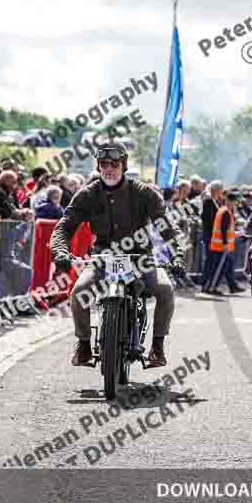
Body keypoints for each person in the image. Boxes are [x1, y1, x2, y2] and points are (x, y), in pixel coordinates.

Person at [50, 142, 185, 368]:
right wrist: (60, 252)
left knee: (165, 291)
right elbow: (63, 227)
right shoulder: (88, 194)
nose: (109, 168)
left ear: (123, 165)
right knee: (78, 293)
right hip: (103, 257)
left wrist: (178, 255)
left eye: (114, 164)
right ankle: (83, 345)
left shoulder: (144, 193)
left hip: (140, 258)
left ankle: (157, 348)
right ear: (98, 166)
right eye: (104, 164)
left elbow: (168, 228)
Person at [204, 192, 245, 296]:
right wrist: (225, 243)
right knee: (219, 268)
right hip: (221, 246)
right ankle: (211, 287)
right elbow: (222, 229)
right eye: (234, 201)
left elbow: (225, 229)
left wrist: (234, 234)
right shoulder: (226, 212)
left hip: (219, 245)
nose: (234, 203)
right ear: (233, 201)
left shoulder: (222, 210)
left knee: (227, 267)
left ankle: (232, 286)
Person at [200, 180, 224, 287]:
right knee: (210, 260)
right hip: (210, 236)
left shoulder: (213, 201)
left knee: (211, 260)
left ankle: (208, 283)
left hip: (212, 236)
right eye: (220, 191)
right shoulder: (209, 201)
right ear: (216, 190)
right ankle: (205, 283)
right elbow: (209, 220)